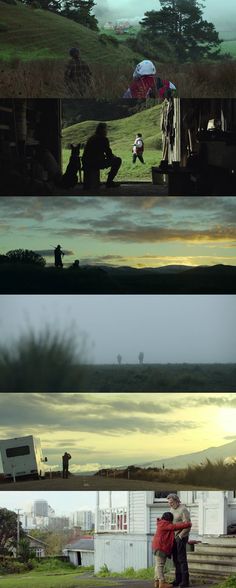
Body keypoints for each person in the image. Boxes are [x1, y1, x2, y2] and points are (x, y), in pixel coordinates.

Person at [152, 512, 192, 588]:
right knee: (160, 565)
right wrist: (188, 524)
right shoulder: (165, 524)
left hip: (157, 546)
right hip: (161, 547)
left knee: (157, 565)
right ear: (169, 519)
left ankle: (157, 582)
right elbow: (175, 527)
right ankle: (162, 582)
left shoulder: (161, 523)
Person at [82, 122, 122, 189]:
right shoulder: (104, 139)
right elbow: (109, 154)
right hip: (96, 163)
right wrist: (113, 157)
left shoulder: (91, 138)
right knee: (118, 160)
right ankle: (109, 182)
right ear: (104, 130)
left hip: (86, 162)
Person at [167, 494, 191, 588]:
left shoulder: (183, 509)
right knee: (176, 559)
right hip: (174, 537)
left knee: (182, 559)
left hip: (181, 537)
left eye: (172, 502)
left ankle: (185, 581)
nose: (170, 504)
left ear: (177, 501)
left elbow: (188, 525)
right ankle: (178, 580)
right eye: (169, 503)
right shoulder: (172, 509)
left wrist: (180, 537)